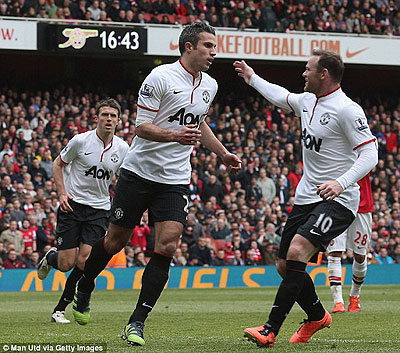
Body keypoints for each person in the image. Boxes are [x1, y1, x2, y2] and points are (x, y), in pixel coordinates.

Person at [73, 22, 241, 347]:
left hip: (175, 179)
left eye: (214, 46)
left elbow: (199, 122)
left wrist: (222, 153)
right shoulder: (160, 77)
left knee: (167, 245)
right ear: (188, 46)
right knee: (115, 242)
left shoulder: (211, 85)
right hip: (138, 173)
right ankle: (86, 282)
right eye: (208, 45)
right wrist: (174, 136)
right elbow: (141, 128)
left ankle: (136, 322)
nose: (213, 52)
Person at [234, 49, 378, 348]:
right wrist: (252, 78)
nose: (303, 73)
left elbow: (370, 153)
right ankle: (316, 316)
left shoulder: (347, 110)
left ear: (323, 73)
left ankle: (270, 328)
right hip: (306, 196)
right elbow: (281, 96)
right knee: (285, 265)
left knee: (298, 251)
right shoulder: (308, 101)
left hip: (339, 199)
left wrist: (341, 182)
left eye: (307, 69)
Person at [36, 98, 129, 324]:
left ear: (119, 121)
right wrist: (61, 193)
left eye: (113, 116)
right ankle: (52, 257)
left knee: (85, 262)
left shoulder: (123, 148)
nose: (109, 119)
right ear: (96, 117)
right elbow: (58, 164)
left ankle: (60, 309)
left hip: (99, 209)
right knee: (67, 263)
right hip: (73, 205)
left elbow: (125, 179)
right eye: (105, 115)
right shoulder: (80, 141)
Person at [327, 174, 373, 313]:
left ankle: (355, 296)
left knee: (360, 255)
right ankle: (338, 301)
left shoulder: (363, 152)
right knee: (335, 252)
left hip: (362, 206)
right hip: (338, 203)